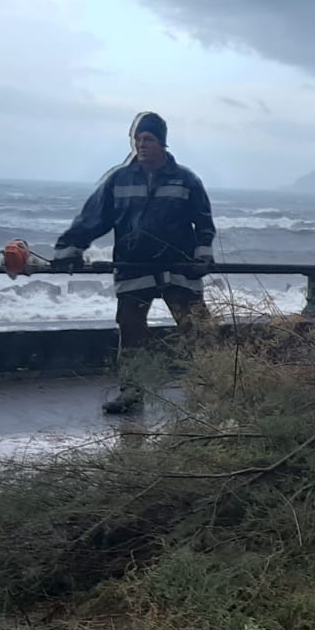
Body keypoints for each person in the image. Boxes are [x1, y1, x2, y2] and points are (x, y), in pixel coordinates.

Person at [54, 111, 217, 414]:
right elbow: (94, 218)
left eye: (148, 139)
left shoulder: (186, 179)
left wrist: (203, 251)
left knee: (197, 330)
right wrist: (70, 246)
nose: (141, 145)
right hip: (134, 267)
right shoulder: (118, 180)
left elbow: (203, 221)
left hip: (178, 268)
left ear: (162, 143)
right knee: (131, 331)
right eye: (138, 139)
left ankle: (211, 388)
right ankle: (131, 393)